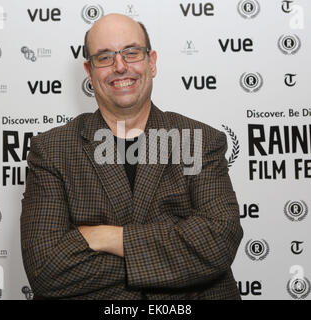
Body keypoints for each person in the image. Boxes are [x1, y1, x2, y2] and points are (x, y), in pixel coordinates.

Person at [20, 13, 243, 300]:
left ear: (152, 62)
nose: (120, 66)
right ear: (89, 71)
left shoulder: (198, 140)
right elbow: (45, 268)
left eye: (131, 52)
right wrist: (176, 247)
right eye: (105, 57)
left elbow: (218, 242)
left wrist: (106, 237)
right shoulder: (52, 150)